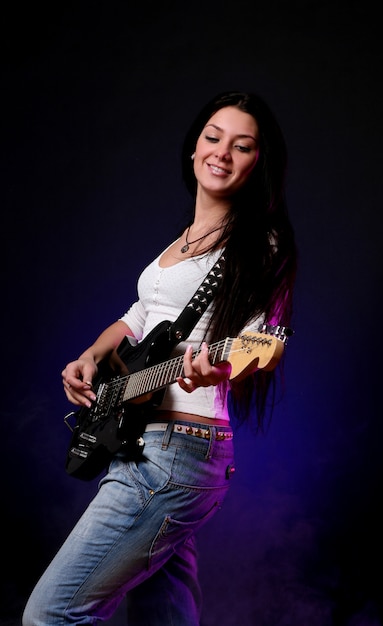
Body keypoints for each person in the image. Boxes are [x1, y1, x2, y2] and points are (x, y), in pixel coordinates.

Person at [22, 90, 297, 626]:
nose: (222, 152)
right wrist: (90, 354)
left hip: (176, 451)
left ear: (258, 164)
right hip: (146, 441)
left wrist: (216, 369)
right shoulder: (183, 241)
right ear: (194, 148)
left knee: (50, 615)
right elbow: (138, 316)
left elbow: (265, 341)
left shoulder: (257, 243)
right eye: (213, 137)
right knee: (164, 617)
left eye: (242, 146)